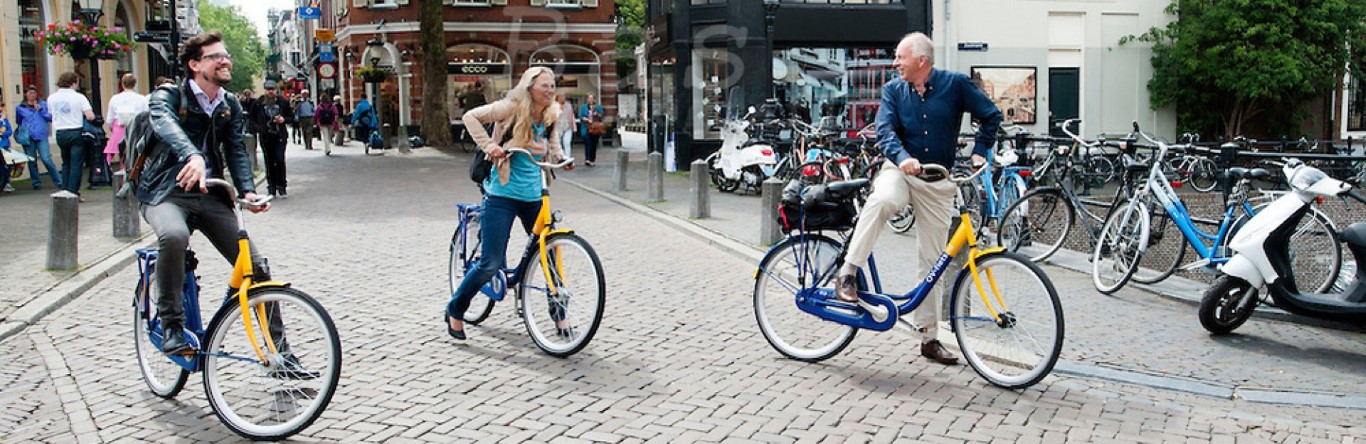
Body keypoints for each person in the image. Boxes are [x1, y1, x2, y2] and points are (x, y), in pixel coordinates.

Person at [833, 32, 1001, 366]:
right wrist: (901, 156)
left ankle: (929, 339)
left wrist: (981, 151)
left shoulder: (955, 85)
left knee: (933, 262)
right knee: (882, 200)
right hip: (900, 170)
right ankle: (848, 272)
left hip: (938, 181)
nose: (895, 63)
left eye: (900, 57)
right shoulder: (894, 90)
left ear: (921, 60)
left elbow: (991, 115)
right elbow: (885, 131)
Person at [136, 31, 273, 356]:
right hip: (165, 192)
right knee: (173, 235)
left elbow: (237, 150)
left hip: (210, 194)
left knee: (256, 266)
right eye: (216, 56)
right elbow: (165, 125)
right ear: (195, 64)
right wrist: (192, 156)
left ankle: (279, 351)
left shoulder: (229, 104)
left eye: (226, 55)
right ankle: (171, 326)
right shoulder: (167, 97)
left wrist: (248, 191)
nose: (225, 60)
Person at [446, 66, 570, 340]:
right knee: (490, 263)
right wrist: (490, 147)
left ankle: (560, 317)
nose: (550, 90)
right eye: (544, 86)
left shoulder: (552, 113)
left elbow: (552, 142)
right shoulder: (510, 107)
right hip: (501, 194)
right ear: (529, 87)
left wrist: (560, 158)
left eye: (553, 85)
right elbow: (470, 117)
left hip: (535, 194)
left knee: (551, 256)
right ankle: (455, 310)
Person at [48, 72, 98, 199]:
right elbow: (90, 116)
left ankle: (65, 188)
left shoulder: (52, 97)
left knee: (66, 162)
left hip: (60, 132)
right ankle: (73, 191)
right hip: (75, 131)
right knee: (76, 163)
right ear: (73, 83)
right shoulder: (79, 97)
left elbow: (50, 115)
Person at [249, 80, 293, 198]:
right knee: (269, 161)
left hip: (279, 136)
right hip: (266, 136)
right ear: (265, 90)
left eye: (272, 89)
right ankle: (271, 187)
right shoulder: (258, 103)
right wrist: (260, 129)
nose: (270, 92)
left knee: (279, 160)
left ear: (276, 90)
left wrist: (283, 120)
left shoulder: (283, 102)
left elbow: (291, 117)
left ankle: (282, 186)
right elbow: (251, 119)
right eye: (268, 90)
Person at [15, 86, 61, 190]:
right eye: (30, 93)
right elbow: (18, 121)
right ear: (26, 94)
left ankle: (58, 181)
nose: (32, 95)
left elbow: (50, 118)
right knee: (31, 160)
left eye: (34, 93)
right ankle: (36, 182)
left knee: (46, 158)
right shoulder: (20, 108)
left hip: (41, 136)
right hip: (28, 137)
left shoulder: (43, 104)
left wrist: (41, 111)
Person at [105, 73, 150, 170]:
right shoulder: (141, 99)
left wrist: (111, 128)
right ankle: (126, 168)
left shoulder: (115, 98)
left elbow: (110, 118)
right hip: (134, 126)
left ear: (122, 84)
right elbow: (145, 115)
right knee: (130, 149)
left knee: (112, 149)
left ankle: (106, 167)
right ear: (134, 84)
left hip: (118, 126)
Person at [577, 94, 604, 166]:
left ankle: (592, 159)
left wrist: (597, 114)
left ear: (594, 99)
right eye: (589, 98)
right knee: (587, 143)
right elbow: (581, 116)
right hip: (586, 128)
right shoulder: (584, 107)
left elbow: (602, 116)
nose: (590, 100)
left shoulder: (598, 107)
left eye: (592, 98)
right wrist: (587, 119)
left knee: (594, 144)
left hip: (596, 128)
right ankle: (587, 159)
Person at [556, 94, 576, 162]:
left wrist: (574, 126)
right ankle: (561, 157)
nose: (563, 98)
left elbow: (572, 116)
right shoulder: (554, 106)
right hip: (557, 128)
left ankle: (567, 158)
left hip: (567, 126)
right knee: (559, 144)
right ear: (558, 98)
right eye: (561, 97)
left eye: (564, 97)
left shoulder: (568, 105)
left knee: (567, 142)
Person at [0, 101, 14, 193]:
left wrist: (2, 132)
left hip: (4, 145)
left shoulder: (4, 120)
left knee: (7, 165)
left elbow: (9, 132)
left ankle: (7, 183)